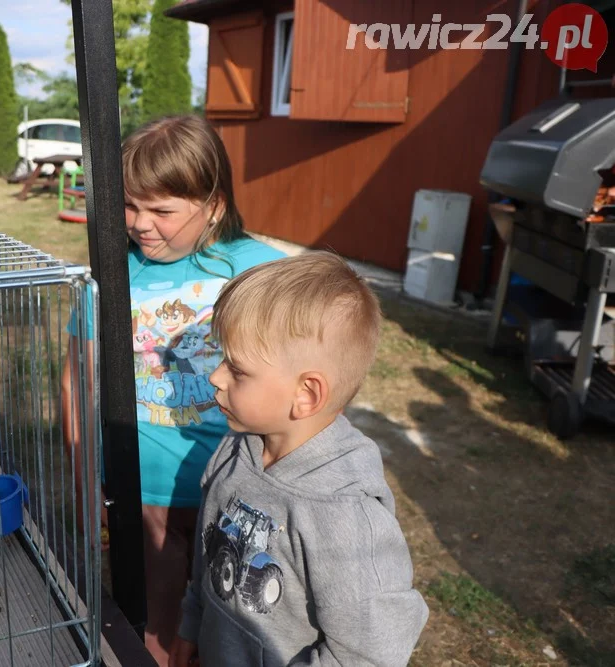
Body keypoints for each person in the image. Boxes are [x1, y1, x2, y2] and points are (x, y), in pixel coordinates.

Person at [59, 114, 286, 666]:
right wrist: (85, 477)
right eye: (129, 206)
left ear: (213, 204)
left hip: (240, 491)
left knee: (235, 623)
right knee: (156, 625)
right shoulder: (110, 274)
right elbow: (73, 378)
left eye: (161, 211)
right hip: (145, 490)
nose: (139, 224)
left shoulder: (263, 273)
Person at [169, 251, 429, 667]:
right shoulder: (237, 448)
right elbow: (210, 553)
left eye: (237, 370)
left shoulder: (344, 514)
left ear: (305, 394)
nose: (215, 377)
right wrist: (191, 624)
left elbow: (369, 654)